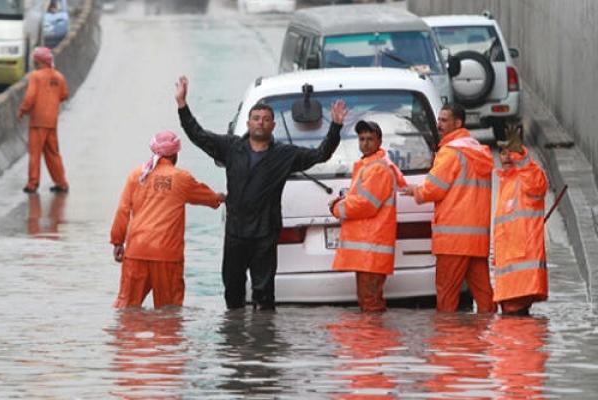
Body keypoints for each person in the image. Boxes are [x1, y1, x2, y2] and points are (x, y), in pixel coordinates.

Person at [175, 75, 346, 311]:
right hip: (235, 231)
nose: (260, 123)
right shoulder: (231, 147)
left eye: (266, 120)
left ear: (273, 126)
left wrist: (335, 127)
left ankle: (263, 332)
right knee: (232, 288)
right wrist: (182, 105)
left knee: (264, 292)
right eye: (256, 119)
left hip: (265, 232)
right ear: (248, 123)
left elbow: (320, 155)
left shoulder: (284, 154)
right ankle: (234, 330)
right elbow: (198, 136)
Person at [110, 131, 224, 309]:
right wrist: (221, 198)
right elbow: (209, 198)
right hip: (167, 254)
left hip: (136, 252)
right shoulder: (182, 178)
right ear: (175, 154)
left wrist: (117, 242)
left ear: (153, 151)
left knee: (127, 309)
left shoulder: (137, 175)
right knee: (169, 310)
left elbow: (123, 210)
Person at [401, 103, 495, 313]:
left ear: (458, 123)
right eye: (439, 120)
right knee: (484, 297)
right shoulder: (479, 152)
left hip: (453, 240)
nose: (439, 125)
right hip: (477, 239)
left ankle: (446, 334)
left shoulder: (450, 153)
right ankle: (489, 332)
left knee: (446, 297)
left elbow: (433, 189)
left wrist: (415, 190)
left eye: (444, 120)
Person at [329, 120, 406, 312]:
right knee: (370, 301)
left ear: (379, 141)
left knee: (369, 302)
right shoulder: (370, 166)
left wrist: (337, 208)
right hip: (369, 248)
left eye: (370, 139)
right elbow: (363, 200)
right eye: (362, 139)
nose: (365, 143)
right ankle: (373, 331)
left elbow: (366, 204)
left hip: (372, 247)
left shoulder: (377, 168)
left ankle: (373, 332)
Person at [493, 125, 548, 315]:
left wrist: (520, 155)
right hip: (510, 279)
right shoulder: (506, 182)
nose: (507, 157)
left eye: (511, 153)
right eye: (503, 153)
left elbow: (535, 182)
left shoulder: (526, 178)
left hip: (521, 280)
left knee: (516, 324)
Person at [18, 46, 69, 193]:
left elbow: (30, 97)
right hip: (52, 121)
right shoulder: (59, 76)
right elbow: (64, 95)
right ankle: (61, 182)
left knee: (35, 153)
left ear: (38, 61)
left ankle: (32, 183)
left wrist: (23, 110)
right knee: (53, 153)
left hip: (38, 121)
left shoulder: (36, 76)